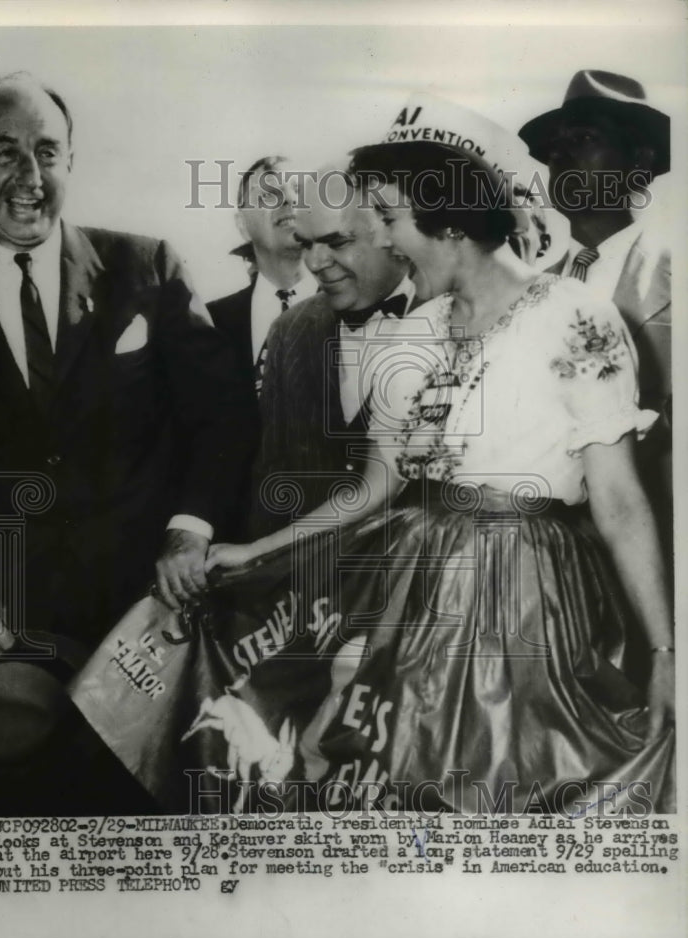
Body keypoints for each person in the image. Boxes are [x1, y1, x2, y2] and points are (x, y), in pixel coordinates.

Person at [203, 140, 674, 813]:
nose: (387, 245)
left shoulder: (573, 317)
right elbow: (374, 486)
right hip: (413, 585)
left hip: (528, 598)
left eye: (391, 221)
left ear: (450, 225)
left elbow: (622, 502)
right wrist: (258, 550)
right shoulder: (411, 336)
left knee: (510, 792)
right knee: (387, 783)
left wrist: (663, 652)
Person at [0, 72, 258, 652]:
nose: (30, 177)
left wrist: (189, 531)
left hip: (145, 619)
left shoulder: (146, 267)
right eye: (5, 152)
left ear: (70, 160)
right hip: (0, 630)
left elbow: (223, 416)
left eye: (47, 153)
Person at [519, 69, 672, 550]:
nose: (560, 155)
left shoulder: (674, 276)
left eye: (584, 138)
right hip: (553, 551)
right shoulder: (532, 291)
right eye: (554, 148)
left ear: (640, 160)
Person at [250, 167, 412, 535]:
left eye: (337, 242)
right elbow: (270, 483)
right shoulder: (289, 330)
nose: (314, 262)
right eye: (306, 243)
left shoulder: (455, 321)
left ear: (392, 233)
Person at [207, 156, 313, 397]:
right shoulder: (211, 323)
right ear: (242, 224)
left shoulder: (350, 308)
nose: (289, 199)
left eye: (298, 190)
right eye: (268, 194)